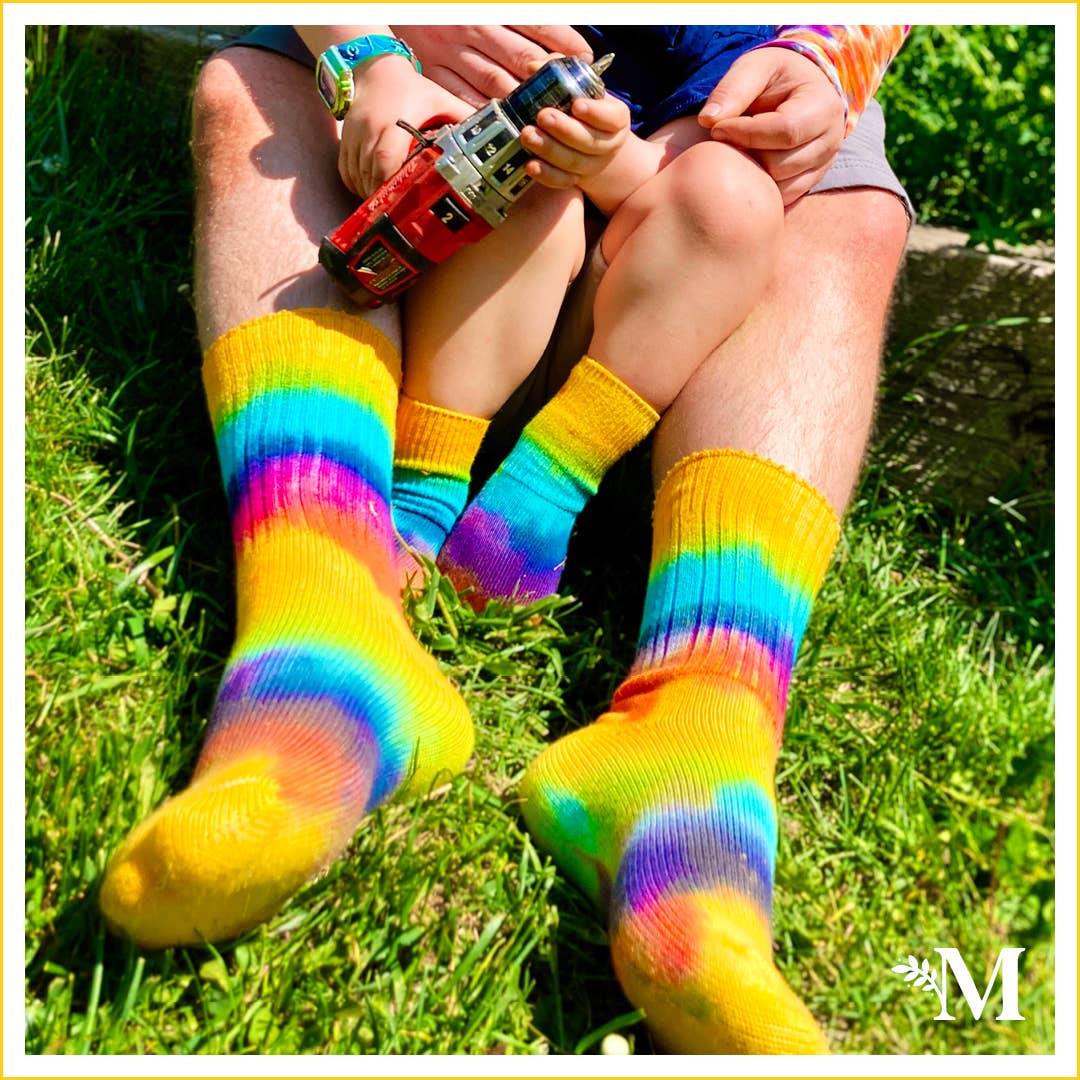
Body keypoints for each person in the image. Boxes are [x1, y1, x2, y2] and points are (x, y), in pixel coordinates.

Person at [98, 24, 912, 1054]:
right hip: (421, 115)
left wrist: (823, 57)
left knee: (842, 201)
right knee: (259, 88)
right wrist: (369, 48)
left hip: (689, 184)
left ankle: (696, 735)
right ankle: (325, 609)